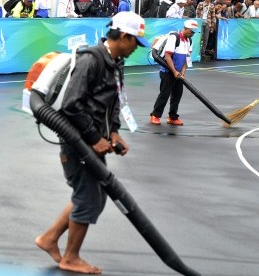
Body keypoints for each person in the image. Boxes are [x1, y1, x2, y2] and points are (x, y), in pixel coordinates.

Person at [34, 11, 150, 274]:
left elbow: (114, 101)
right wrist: (95, 139)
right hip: (78, 143)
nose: (136, 49)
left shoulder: (116, 62)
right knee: (88, 198)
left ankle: (49, 239)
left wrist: (115, 133)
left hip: (93, 142)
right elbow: (71, 106)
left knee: (93, 197)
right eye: (135, 42)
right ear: (123, 36)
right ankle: (70, 257)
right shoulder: (92, 60)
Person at [149, 20, 198, 125]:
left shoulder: (190, 41)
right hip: (167, 71)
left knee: (177, 95)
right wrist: (174, 71)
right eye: (191, 31)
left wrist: (183, 71)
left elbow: (187, 58)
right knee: (164, 94)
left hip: (178, 73)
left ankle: (172, 117)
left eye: (194, 32)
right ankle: (155, 115)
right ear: (185, 28)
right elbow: (168, 56)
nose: (192, 33)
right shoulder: (174, 38)